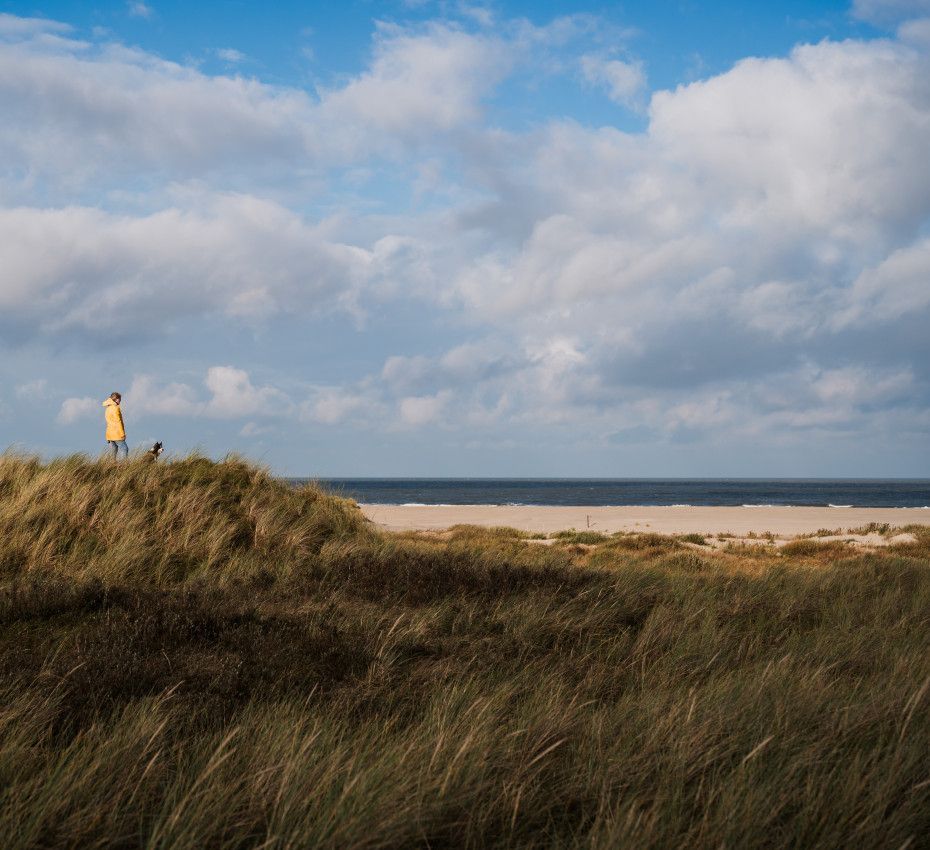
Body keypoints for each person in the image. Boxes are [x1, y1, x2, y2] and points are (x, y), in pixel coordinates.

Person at [103, 392, 128, 459]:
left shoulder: (107, 409)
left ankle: (111, 465)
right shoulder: (115, 408)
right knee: (124, 448)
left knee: (113, 450)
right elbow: (118, 422)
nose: (120, 400)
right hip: (117, 433)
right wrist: (122, 434)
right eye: (119, 399)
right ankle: (124, 465)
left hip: (109, 434)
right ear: (116, 399)